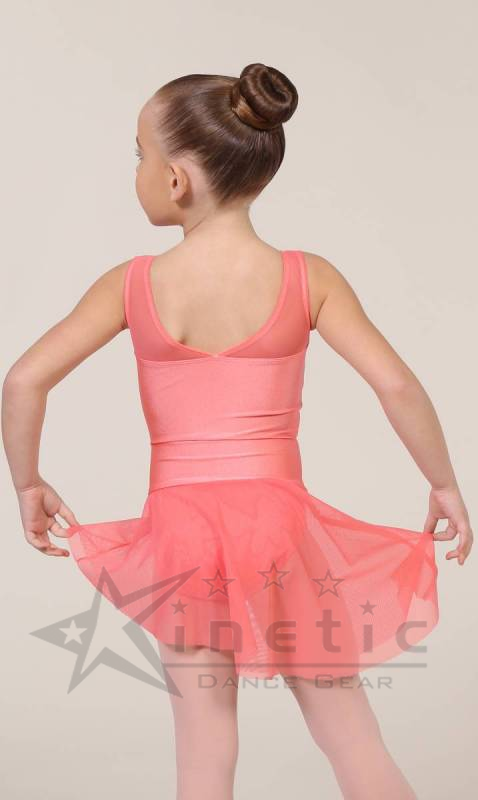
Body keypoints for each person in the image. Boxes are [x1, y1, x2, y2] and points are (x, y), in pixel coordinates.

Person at [2, 63, 473, 800]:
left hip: (183, 535)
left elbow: (23, 380)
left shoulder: (133, 285)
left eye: (139, 155)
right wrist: (443, 483)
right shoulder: (307, 277)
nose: (137, 170)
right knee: (350, 734)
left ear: (177, 180)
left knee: (204, 749)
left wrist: (28, 483)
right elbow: (397, 385)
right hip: (281, 529)